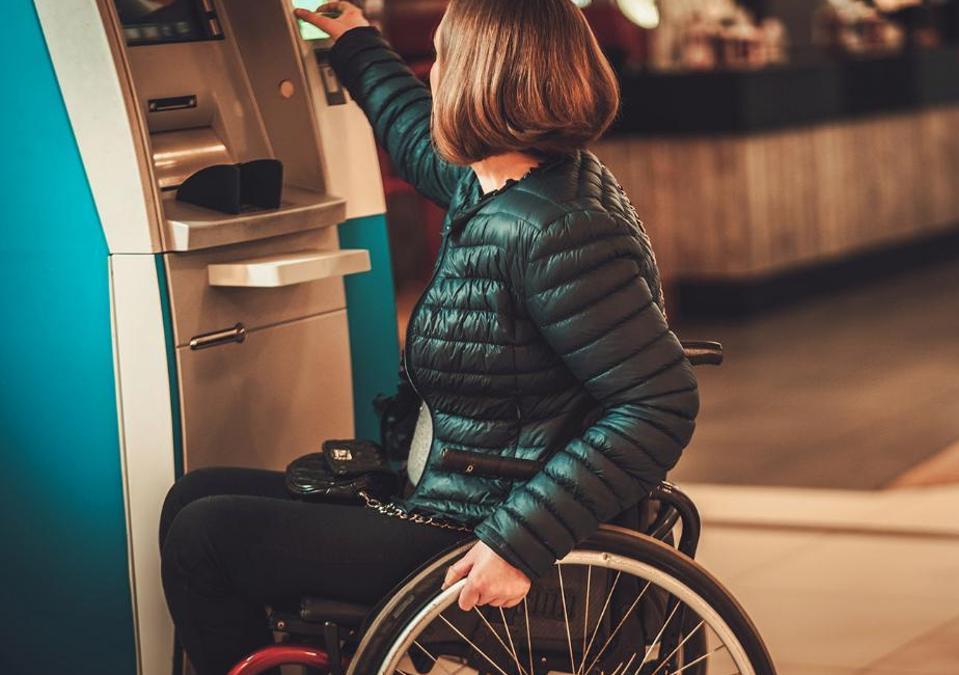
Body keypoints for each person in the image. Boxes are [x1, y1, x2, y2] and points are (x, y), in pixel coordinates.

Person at [158, 2, 701, 673]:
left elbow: (659, 404)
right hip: (451, 487)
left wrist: (518, 541)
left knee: (203, 536)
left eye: (443, 57)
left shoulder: (557, 227)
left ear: (482, 77)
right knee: (193, 494)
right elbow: (415, 133)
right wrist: (356, 40)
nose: (433, 71)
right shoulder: (504, 180)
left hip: (474, 522)